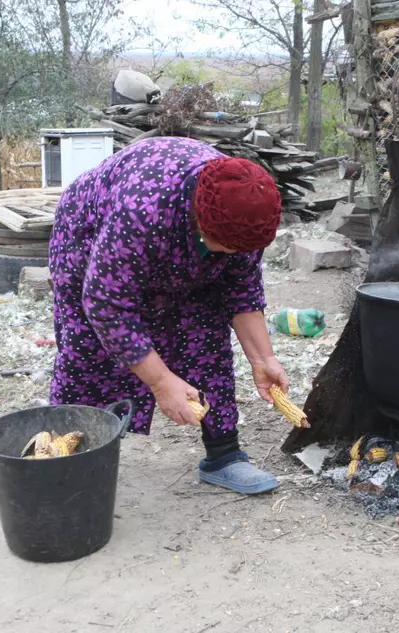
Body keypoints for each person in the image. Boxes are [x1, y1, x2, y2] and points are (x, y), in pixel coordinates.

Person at [48, 136, 290, 495]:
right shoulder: (140, 210)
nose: (234, 256)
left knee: (205, 336)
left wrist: (263, 358)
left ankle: (223, 455)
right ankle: (67, 458)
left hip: (177, 237)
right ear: (198, 221)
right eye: (227, 248)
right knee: (91, 351)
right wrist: (161, 383)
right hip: (91, 240)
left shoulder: (244, 214)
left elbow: (241, 290)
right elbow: (107, 305)